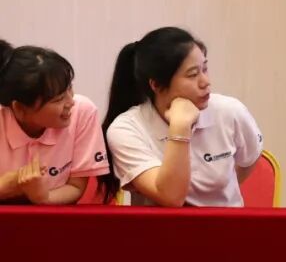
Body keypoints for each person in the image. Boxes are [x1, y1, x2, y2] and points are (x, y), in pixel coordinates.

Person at [101, 27, 263, 207]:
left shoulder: (230, 111)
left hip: (225, 223)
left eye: (205, 69)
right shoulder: (126, 129)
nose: (206, 82)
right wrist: (180, 129)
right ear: (156, 85)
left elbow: (249, 159)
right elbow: (171, 197)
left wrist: (221, 199)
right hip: (160, 225)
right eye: (193, 75)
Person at [0, 40, 109, 204]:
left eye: (69, 88)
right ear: (20, 109)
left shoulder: (82, 111)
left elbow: (75, 186)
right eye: (58, 99)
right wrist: (7, 185)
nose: (71, 102)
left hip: (53, 213)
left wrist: (43, 197)